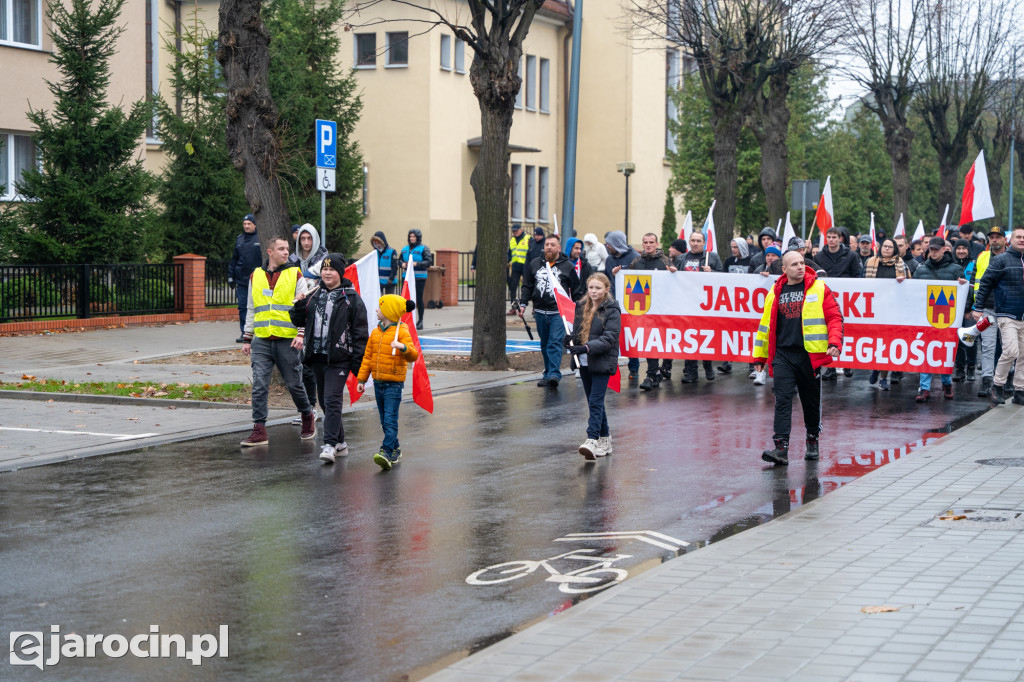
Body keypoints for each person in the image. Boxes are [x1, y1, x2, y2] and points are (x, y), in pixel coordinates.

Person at [753, 250, 844, 466]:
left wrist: (834, 343)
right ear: (784, 269)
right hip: (783, 355)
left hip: (808, 357)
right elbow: (765, 326)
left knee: (810, 403)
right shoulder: (774, 293)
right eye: (794, 264)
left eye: (802, 263)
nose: (800, 267)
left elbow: (835, 317)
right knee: (782, 400)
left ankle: (812, 439)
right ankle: (781, 448)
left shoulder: (819, 288)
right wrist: (759, 357)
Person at [288, 254, 369, 464]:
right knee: (325, 401)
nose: (327, 273)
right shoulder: (315, 295)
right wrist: (298, 306)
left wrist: (359, 368)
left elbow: (360, 334)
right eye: (324, 269)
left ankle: (330, 444)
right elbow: (299, 320)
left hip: (340, 358)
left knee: (332, 399)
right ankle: (340, 443)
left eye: (331, 270)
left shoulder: (351, 298)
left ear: (340, 273)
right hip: (317, 357)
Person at [239, 236, 316, 447]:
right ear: (269, 252)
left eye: (287, 249)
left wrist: (300, 334)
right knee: (259, 384)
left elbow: (304, 307)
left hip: (288, 340)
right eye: (281, 249)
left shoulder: (295, 274)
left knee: (294, 384)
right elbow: (251, 308)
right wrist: (247, 338)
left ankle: (307, 414)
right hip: (262, 340)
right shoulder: (255, 275)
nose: (286, 252)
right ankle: (259, 429)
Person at [356, 294, 420, 470]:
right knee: (384, 421)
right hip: (378, 383)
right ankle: (395, 449)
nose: (377, 310)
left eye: (380, 307)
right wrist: (362, 379)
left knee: (390, 419)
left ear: (388, 311)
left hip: (393, 384)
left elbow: (413, 354)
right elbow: (368, 357)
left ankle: (385, 450)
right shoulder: (376, 332)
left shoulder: (402, 331)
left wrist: (402, 347)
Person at [566, 273, 621, 460]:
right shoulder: (581, 306)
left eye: (598, 288)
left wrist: (587, 347)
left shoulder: (612, 310)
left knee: (596, 401)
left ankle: (592, 439)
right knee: (593, 401)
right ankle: (605, 439)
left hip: (602, 361)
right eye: (591, 288)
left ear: (606, 289)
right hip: (583, 361)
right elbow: (577, 332)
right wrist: (571, 340)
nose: (594, 291)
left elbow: (610, 338)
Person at [518, 234, 583, 388]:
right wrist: (523, 304)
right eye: (547, 244)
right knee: (545, 343)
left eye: (553, 245)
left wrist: (578, 309)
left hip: (558, 312)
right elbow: (527, 285)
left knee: (554, 342)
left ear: (559, 248)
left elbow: (577, 290)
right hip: (540, 311)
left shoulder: (567, 266)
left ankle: (554, 373)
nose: (549, 247)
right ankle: (547, 373)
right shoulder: (535, 264)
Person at [973, 226, 1024, 406]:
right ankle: (997, 384)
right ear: (1012, 239)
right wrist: (977, 307)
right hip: (1005, 313)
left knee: (1023, 354)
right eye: (1018, 236)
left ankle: (1019, 390)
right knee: (1010, 350)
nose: (1022, 239)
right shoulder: (1001, 260)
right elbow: (985, 283)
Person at [913, 236, 968, 402]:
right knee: (926, 351)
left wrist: (963, 285)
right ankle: (924, 387)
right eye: (931, 249)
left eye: (937, 249)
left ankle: (946, 382)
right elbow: (913, 292)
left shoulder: (956, 269)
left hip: (948, 319)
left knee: (945, 351)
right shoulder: (921, 270)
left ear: (944, 249)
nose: (934, 252)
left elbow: (966, 292)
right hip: (925, 317)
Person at [286, 223, 329, 425]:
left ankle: (314, 408)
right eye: (302, 239)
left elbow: (328, 283)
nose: (305, 243)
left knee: (311, 364)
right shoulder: (293, 261)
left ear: (315, 239)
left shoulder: (323, 260)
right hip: (299, 313)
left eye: (309, 239)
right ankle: (308, 409)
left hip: (318, 316)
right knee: (301, 365)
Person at [623, 233, 672, 390]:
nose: (649, 245)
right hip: (642, 310)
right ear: (642, 244)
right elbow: (627, 282)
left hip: (661, 310)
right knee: (646, 341)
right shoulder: (636, 262)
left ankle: (652, 374)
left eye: (651, 242)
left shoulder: (665, 261)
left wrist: (674, 273)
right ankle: (654, 373)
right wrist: (618, 274)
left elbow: (675, 283)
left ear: (657, 243)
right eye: (646, 242)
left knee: (656, 341)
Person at [677, 231, 722, 383]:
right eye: (693, 240)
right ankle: (691, 372)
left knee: (705, 337)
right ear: (689, 242)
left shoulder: (712, 257)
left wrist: (713, 272)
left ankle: (708, 365)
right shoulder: (681, 259)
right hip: (686, 304)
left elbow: (725, 278)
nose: (695, 243)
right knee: (689, 337)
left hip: (705, 304)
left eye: (699, 241)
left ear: (704, 243)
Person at [863, 238, 908, 390]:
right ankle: (875, 368)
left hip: (893, 310)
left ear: (895, 249)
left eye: (890, 247)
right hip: (874, 309)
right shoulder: (870, 262)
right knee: (874, 343)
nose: (887, 249)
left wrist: (904, 282)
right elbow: (862, 283)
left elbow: (911, 285)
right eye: (884, 246)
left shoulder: (901, 264)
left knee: (886, 345)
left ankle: (883, 377)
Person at [971, 225, 1008, 397]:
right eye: (992, 237)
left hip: (1009, 310)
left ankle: (1006, 380)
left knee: (1009, 347)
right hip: (987, 309)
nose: (994, 239)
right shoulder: (982, 257)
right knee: (987, 346)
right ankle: (987, 381)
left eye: (997, 237)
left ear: (1004, 239)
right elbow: (974, 281)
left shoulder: (1014, 256)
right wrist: (975, 306)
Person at [604, 231, 640, 379]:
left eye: (609, 244)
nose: (607, 246)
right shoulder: (609, 259)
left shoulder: (634, 258)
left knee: (630, 337)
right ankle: (611, 367)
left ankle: (634, 368)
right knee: (611, 336)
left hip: (631, 305)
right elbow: (607, 280)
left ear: (616, 244)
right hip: (613, 303)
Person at [227, 214, 263, 343]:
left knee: (258, 306)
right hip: (242, 280)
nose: (246, 226)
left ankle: (257, 332)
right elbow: (234, 260)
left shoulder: (261, 238)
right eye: (245, 224)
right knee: (243, 307)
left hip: (258, 280)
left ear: (255, 224)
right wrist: (231, 276)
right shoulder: (239, 240)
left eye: (249, 224)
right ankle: (245, 333)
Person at [951, 238, 978, 383]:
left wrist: (969, 308)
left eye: (964, 248)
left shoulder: (975, 265)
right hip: (955, 309)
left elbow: (975, 288)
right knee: (958, 340)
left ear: (968, 250)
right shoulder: (951, 265)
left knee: (970, 338)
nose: (961, 251)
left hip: (970, 309)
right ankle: (960, 369)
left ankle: (971, 367)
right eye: (958, 248)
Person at [400, 229, 433, 330]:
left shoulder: (424, 248)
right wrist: (401, 264)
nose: (412, 238)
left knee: (419, 299)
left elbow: (428, 262)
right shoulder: (404, 249)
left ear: (418, 238)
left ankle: (420, 321)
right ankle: (405, 320)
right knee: (405, 299)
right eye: (410, 237)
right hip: (406, 277)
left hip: (419, 277)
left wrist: (416, 264)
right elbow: (400, 259)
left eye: (414, 237)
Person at [507, 224, 530, 314]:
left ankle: (532, 308)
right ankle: (514, 308)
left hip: (526, 266)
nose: (515, 232)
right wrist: (508, 260)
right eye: (513, 231)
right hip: (516, 267)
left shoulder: (528, 238)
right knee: (513, 287)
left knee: (527, 287)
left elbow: (531, 251)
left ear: (521, 230)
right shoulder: (512, 240)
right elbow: (509, 253)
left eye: (516, 230)